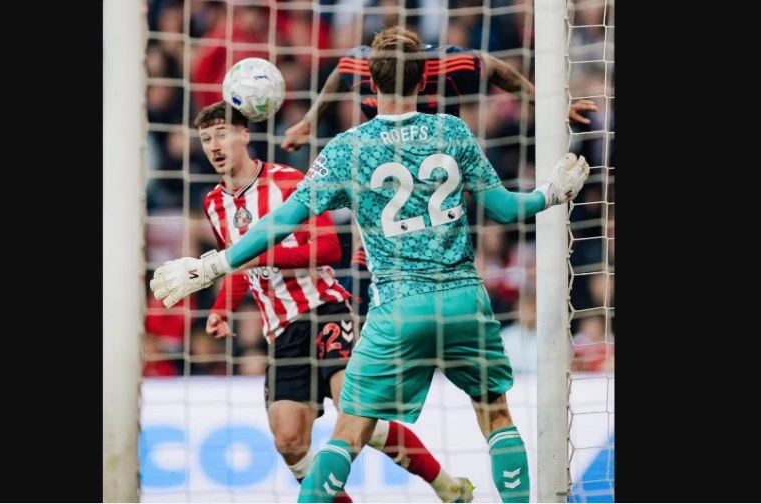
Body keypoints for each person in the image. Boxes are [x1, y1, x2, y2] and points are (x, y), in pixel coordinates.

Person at [151, 36, 590, 503]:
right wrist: (552, 193)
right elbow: (504, 209)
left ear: (369, 87)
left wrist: (216, 263)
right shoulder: (452, 131)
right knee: (496, 416)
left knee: (349, 432)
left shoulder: (347, 149)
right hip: (464, 299)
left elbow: (280, 222)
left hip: (398, 308)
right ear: (424, 80)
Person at [181, 100, 476, 503]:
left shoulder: (289, 182)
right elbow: (237, 263)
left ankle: (446, 485)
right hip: (281, 330)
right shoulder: (213, 204)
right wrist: (222, 308)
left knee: (354, 413)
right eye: (206, 138)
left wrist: (261, 254)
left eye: (222, 134)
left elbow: (329, 248)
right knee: (288, 440)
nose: (214, 145)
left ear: (244, 135)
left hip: (325, 310)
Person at [281, 25, 597, 321]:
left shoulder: (450, 63)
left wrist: (548, 104)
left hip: (443, 175)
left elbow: (499, 70)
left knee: (440, 254)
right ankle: (385, 334)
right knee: (370, 263)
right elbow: (340, 74)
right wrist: (309, 121)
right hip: (390, 171)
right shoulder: (362, 64)